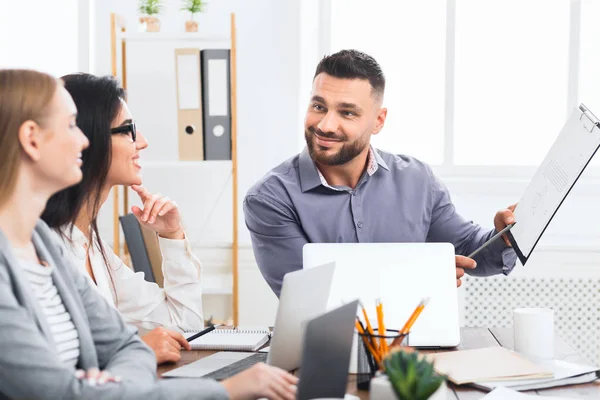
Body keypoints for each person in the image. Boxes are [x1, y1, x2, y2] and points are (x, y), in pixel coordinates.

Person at [0, 68, 298, 400]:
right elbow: (65, 392)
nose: (82, 139)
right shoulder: (46, 246)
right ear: (31, 138)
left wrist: (110, 376)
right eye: (71, 125)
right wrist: (225, 391)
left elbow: (143, 340)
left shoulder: (45, 244)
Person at [243, 50, 517, 297]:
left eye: (347, 113)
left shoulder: (417, 181)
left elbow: (470, 249)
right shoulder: (270, 199)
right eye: (318, 107)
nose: (326, 125)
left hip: (412, 347)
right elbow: (308, 298)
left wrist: (503, 235)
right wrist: (417, 277)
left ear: (378, 121)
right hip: (329, 350)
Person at [41, 73, 202, 364]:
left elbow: (185, 325)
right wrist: (136, 352)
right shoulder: (42, 247)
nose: (142, 142)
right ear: (87, 138)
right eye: (128, 129)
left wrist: (172, 236)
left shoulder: (93, 250)